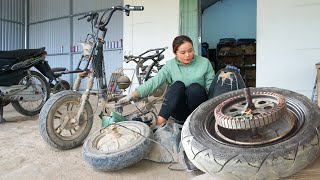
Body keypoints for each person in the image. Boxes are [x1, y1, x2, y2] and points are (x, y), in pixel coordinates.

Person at [118, 35, 215, 126]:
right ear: (175, 53)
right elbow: (154, 81)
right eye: (183, 52)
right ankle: (160, 123)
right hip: (180, 111)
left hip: (198, 109)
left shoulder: (204, 63)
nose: (187, 55)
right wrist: (132, 95)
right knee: (177, 85)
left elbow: (212, 87)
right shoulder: (170, 66)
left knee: (195, 88)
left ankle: (198, 122)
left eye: (190, 50)